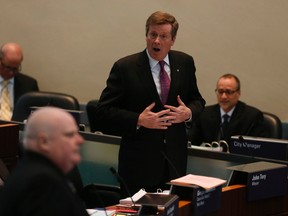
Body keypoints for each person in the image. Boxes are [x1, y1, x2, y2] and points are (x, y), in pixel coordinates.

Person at [94, 11, 205, 196]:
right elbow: (103, 111)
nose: (156, 41)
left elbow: (198, 101)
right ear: (146, 35)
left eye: (163, 36)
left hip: (174, 163)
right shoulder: (125, 67)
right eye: (153, 35)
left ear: (173, 39)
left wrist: (188, 113)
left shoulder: (185, 62)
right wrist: (138, 119)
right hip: (138, 165)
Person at [0, 107, 89, 216]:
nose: (80, 140)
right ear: (44, 142)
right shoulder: (41, 184)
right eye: (70, 135)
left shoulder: (32, 173)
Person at [189, 73, 265, 148]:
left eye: (228, 92)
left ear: (238, 93)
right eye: (220, 91)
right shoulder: (204, 114)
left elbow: (257, 149)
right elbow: (191, 143)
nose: (224, 96)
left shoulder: (252, 116)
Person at [0, 42, 39, 120]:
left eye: (15, 68)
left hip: (17, 129)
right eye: (8, 67)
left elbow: (35, 114)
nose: (11, 72)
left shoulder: (29, 84)